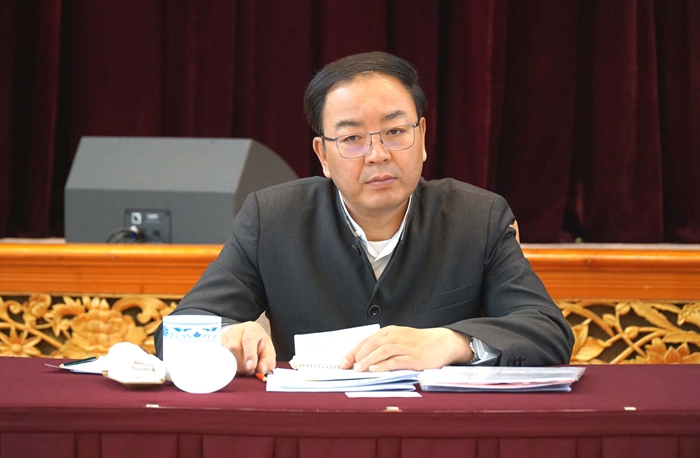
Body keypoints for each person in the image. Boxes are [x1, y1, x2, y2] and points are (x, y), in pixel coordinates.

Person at [155, 51, 574, 376]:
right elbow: (175, 331)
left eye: (395, 132)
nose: (377, 154)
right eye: (352, 138)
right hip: (314, 426)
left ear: (422, 137)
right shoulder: (273, 218)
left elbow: (547, 330)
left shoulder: (477, 217)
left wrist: (452, 342)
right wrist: (227, 337)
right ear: (323, 154)